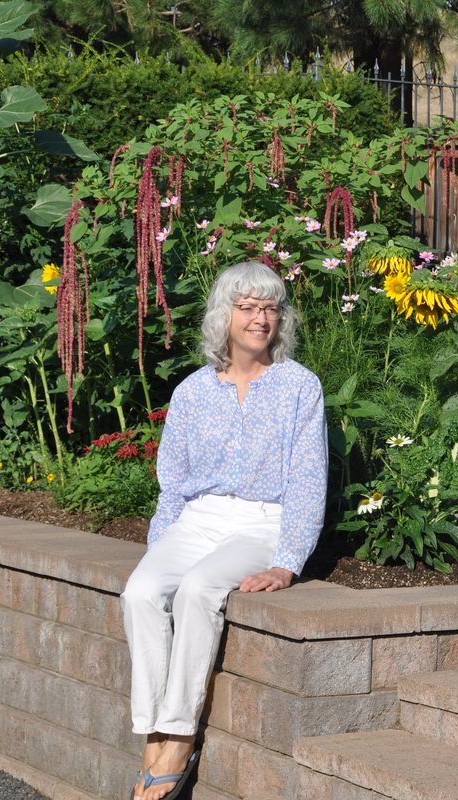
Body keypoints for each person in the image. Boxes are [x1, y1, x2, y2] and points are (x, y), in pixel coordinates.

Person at [120, 261, 327, 800]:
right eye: (248, 307)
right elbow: (173, 482)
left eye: (270, 308)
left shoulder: (299, 387)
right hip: (197, 518)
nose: (260, 319)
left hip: (261, 521)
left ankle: (180, 736)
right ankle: (154, 727)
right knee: (141, 591)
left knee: (198, 589)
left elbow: (308, 479)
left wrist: (287, 561)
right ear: (225, 315)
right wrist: (160, 545)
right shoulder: (192, 391)